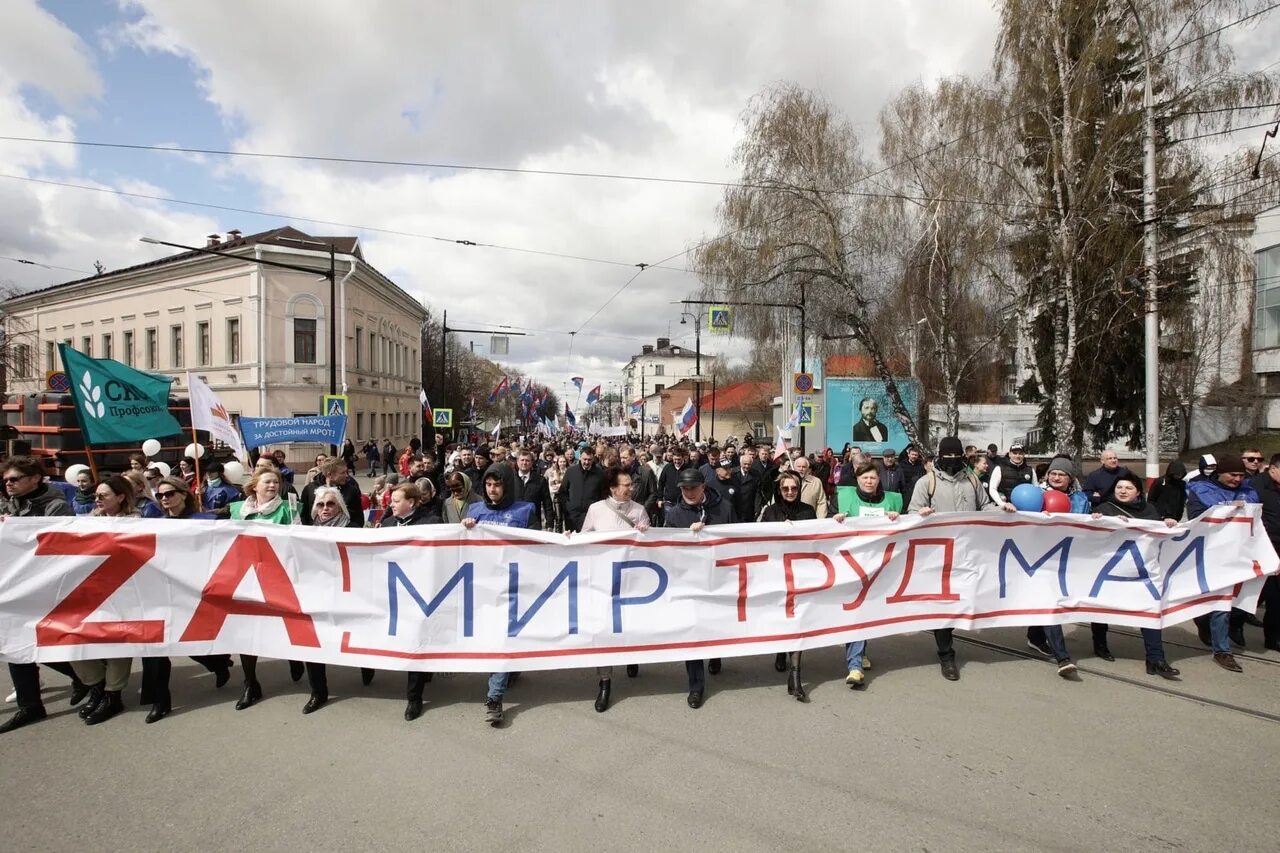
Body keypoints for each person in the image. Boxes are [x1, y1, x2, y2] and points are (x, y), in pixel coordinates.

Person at [908, 437, 1016, 681]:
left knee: (967, 597)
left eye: (956, 456)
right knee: (944, 604)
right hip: (939, 556)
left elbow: (984, 506)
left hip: (968, 552)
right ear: (940, 456)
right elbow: (912, 513)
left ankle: (954, 630)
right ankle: (946, 654)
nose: (952, 461)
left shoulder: (972, 480)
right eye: (948, 456)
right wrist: (920, 514)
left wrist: (1002, 511)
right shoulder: (927, 482)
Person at [0, 457, 92, 734]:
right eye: (6, 480)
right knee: (16, 643)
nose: (8, 484)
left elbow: (59, 545)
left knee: (40, 641)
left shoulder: (55, 506)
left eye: (14, 479)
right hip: (10, 585)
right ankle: (31, 705)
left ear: (35, 478)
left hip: (41, 584)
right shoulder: (8, 504)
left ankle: (83, 676)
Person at [142, 476, 233, 724]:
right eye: (160, 495)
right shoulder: (153, 524)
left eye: (169, 493)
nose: (164, 499)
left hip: (194, 592)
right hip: (161, 592)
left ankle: (217, 662)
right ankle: (161, 701)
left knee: (188, 643)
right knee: (156, 647)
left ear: (184, 494)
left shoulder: (207, 522)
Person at [462, 463, 541, 725]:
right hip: (483, 587)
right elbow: (457, 546)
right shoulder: (474, 510)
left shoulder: (525, 510)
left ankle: (494, 697)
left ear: (507, 486)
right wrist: (464, 528)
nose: (492, 489)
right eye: (488, 484)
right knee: (499, 640)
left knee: (502, 640)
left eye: (497, 484)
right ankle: (510, 669)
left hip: (515, 587)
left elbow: (539, 546)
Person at [1090, 472, 1181, 678]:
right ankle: (1100, 643)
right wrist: (1101, 521)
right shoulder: (1104, 508)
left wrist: (1167, 523)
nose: (1123, 491)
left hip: (1142, 572)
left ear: (1138, 492)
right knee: (1102, 607)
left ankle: (1156, 658)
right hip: (1110, 570)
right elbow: (1092, 537)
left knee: (1149, 610)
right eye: (1119, 487)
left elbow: (1157, 534)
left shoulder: (1149, 510)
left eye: (1128, 488)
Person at [227, 469, 303, 710]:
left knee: (286, 626)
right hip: (247, 579)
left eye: (276, 482)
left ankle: (294, 656)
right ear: (254, 486)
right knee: (247, 633)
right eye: (267, 481)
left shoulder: (289, 508)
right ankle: (251, 683)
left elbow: (298, 542)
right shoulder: (237, 509)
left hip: (279, 578)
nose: (273, 485)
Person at [69, 476, 142, 725]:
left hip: (122, 592)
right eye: (95, 496)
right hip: (89, 592)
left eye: (103, 496)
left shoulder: (137, 523)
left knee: (116, 643)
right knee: (72, 638)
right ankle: (95, 685)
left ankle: (113, 694)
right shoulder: (86, 523)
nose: (97, 500)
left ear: (120, 497)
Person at [577, 467, 650, 712]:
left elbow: (650, 546)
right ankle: (605, 682)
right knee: (604, 630)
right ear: (613, 488)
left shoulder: (639, 511)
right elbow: (584, 540)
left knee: (631, 625)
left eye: (632, 485)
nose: (631, 488)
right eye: (626, 485)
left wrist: (644, 534)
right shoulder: (596, 510)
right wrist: (570, 539)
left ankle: (632, 657)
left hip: (632, 582)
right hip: (603, 582)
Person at [665, 467, 736, 709]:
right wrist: (687, 535)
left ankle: (715, 654)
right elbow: (667, 547)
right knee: (692, 632)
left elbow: (738, 539)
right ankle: (696, 686)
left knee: (715, 624)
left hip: (718, 578)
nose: (689, 492)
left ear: (703, 487)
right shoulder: (675, 514)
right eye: (685, 489)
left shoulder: (724, 507)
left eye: (693, 488)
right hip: (689, 582)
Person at [1187, 453, 1257, 672]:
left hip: (1241, 553)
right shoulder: (1201, 490)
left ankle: (1207, 621)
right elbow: (1197, 521)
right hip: (1212, 553)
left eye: (1240, 475)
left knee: (1249, 597)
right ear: (1220, 473)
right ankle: (1222, 650)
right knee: (1222, 603)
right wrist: (1226, 509)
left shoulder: (1250, 492)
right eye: (1232, 475)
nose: (1237, 479)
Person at [380, 482, 443, 721]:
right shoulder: (386, 525)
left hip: (422, 593)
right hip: (393, 592)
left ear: (412, 502)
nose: (391, 504)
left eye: (396, 501)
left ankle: (414, 698)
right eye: (391, 500)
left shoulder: (433, 523)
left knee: (416, 641)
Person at [1250, 453, 1280, 652]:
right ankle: (1232, 622)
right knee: (1256, 592)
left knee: (1276, 597)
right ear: (1273, 469)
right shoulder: (1255, 486)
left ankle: (1273, 637)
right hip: (1263, 548)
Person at [300, 458, 364, 527]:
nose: (346, 475)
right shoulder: (310, 489)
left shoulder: (351, 490)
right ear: (330, 475)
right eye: (342, 473)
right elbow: (303, 515)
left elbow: (359, 518)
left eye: (347, 472)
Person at [558, 445, 606, 532]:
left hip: (591, 517)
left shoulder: (600, 474)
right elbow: (562, 492)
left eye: (589, 460)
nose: (587, 462)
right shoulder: (571, 471)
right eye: (584, 459)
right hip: (572, 517)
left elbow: (603, 495)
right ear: (580, 457)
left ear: (593, 459)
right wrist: (568, 507)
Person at [512, 450, 552, 529]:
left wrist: (550, 524)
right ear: (517, 461)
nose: (524, 463)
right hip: (514, 522)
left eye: (527, 460)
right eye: (522, 460)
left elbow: (547, 503)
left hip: (533, 523)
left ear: (531, 463)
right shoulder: (510, 479)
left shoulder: (540, 480)